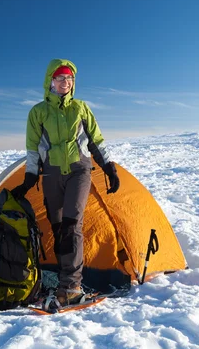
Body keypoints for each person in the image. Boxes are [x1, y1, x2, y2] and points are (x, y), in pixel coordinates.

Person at [11, 58, 120, 308]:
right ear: (50, 81)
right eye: (60, 78)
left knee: (73, 224)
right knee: (59, 228)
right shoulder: (37, 112)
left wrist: (109, 168)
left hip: (78, 171)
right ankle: (63, 281)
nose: (66, 82)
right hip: (51, 175)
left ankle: (72, 286)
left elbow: (96, 141)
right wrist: (29, 178)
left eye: (69, 78)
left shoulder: (81, 108)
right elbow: (32, 150)